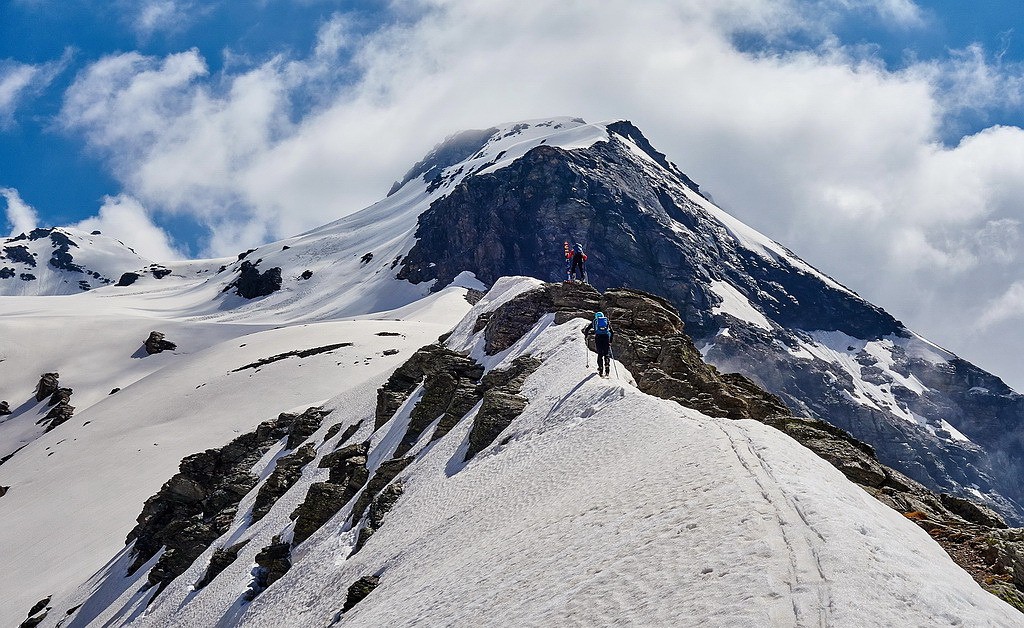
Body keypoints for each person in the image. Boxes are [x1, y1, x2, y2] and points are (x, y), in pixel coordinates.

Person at [583, 311, 613, 377]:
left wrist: (586, 336)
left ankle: (600, 369)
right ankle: (607, 368)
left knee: (600, 354)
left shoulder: (595, 321)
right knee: (606, 354)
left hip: (598, 338)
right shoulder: (606, 321)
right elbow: (612, 332)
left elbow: (587, 329)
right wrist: (610, 341)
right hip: (606, 337)